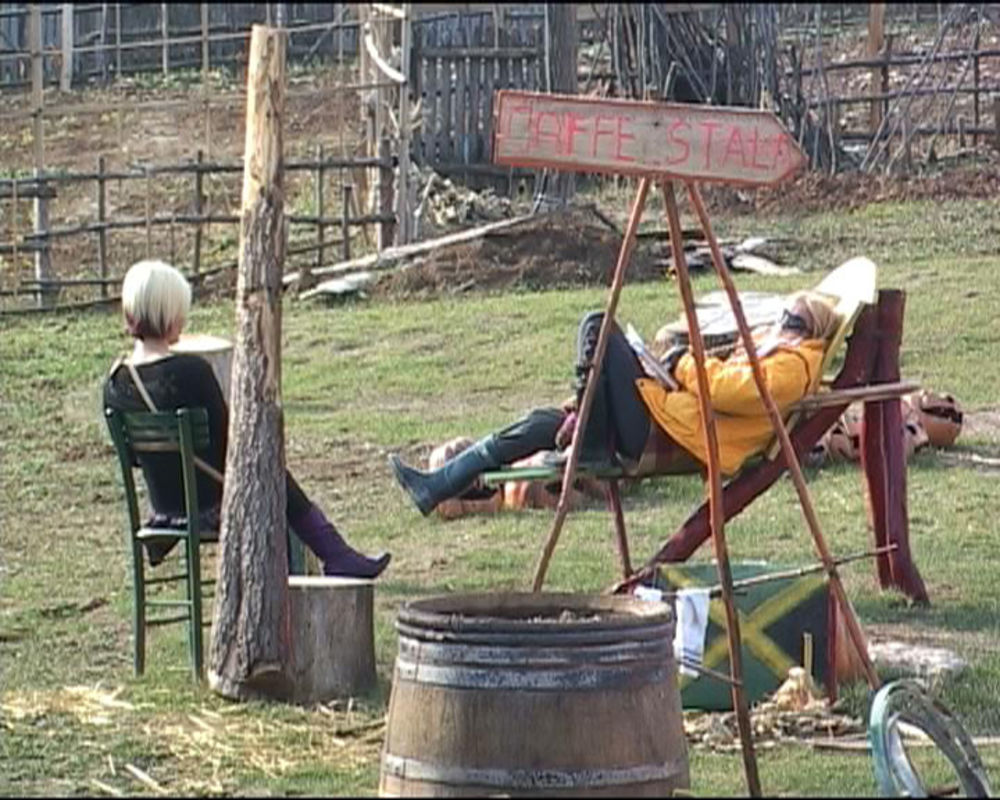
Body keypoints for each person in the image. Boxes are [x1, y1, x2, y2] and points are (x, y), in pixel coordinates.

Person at [390, 291, 843, 516]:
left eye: (794, 319)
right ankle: (440, 486)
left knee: (599, 326)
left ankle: (586, 441)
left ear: (811, 329)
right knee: (539, 423)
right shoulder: (772, 350)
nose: (783, 322)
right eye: (785, 315)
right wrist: (581, 405)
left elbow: (731, 391)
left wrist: (683, 363)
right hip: (665, 416)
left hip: (673, 436)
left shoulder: (795, 364)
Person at [104, 259, 390, 579]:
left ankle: (337, 555)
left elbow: (132, 459)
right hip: (210, 506)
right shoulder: (191, 372)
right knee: (270, 474)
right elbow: (233, 441)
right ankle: (331, 557)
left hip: (164, 510)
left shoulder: (115, 383)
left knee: (271, 474)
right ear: (170, 314)